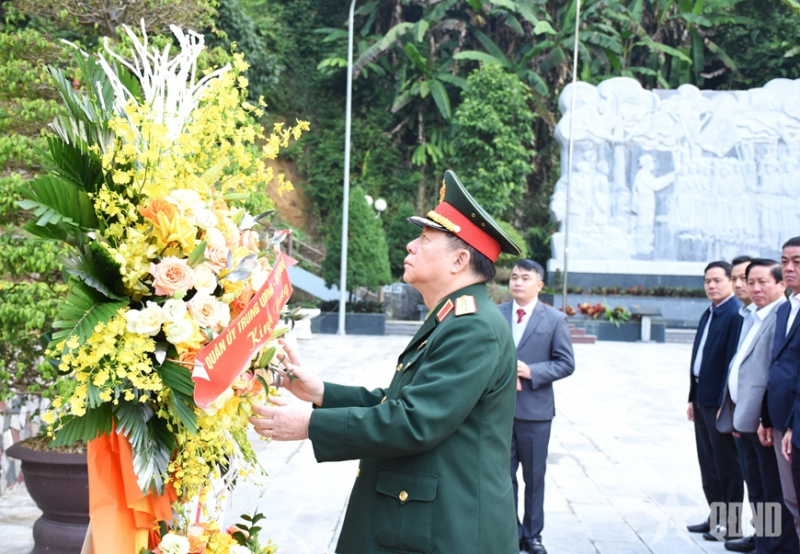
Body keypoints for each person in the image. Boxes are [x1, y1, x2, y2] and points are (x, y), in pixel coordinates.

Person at [248, 170, 522, 554]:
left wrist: (309, 424)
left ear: (460, 260)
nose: (410, 246)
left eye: (425, 240)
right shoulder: (454, 318)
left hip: (447, 529)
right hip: (424, 521)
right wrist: (322, 393)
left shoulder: (473, 328)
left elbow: (414, 421)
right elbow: (399, 402)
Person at [717, 259, 795, 554]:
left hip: (765, 421)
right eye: (752, 282)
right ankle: (763, 542)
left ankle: (774, 546)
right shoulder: (752, 316)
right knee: (759, 489)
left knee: (773, 491)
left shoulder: (781, 318)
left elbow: (772, 374)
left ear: (781, 285)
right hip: (745, 417)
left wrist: (764, 415)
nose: (755, 288)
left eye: (763, 282)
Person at [499, 260, 575, 554]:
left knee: (533, 476)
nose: (517, 282)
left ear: (539, 285)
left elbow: (566, 363)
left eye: (525, 278)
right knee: (503, 475)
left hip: (535, 413)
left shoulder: (554, 319)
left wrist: (531, 371)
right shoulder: (497, 314)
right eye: (514, 277)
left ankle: (532, 535)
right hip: (501, 412)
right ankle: (510, 531)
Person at [687, 261, 744, 539]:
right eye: (707, 281)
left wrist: (727, 402)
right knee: (708, 461)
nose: (712, 286)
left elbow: (732, 362)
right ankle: (716, 515)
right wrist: (691, 397)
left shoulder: (735, 314)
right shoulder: (709, 313)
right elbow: (699, 358)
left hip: (719, 402)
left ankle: (732, 525)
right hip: (701, 397)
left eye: (718, 280)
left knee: (726, 463)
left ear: (731, 282)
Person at [764, 237, 800, 542]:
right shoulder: (786, 310)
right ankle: (762, 541)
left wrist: (791, 423)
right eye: (784, 261)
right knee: (782, 496)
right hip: (769, 420)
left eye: (797, 262)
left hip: (794, 423)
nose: (789, 268)